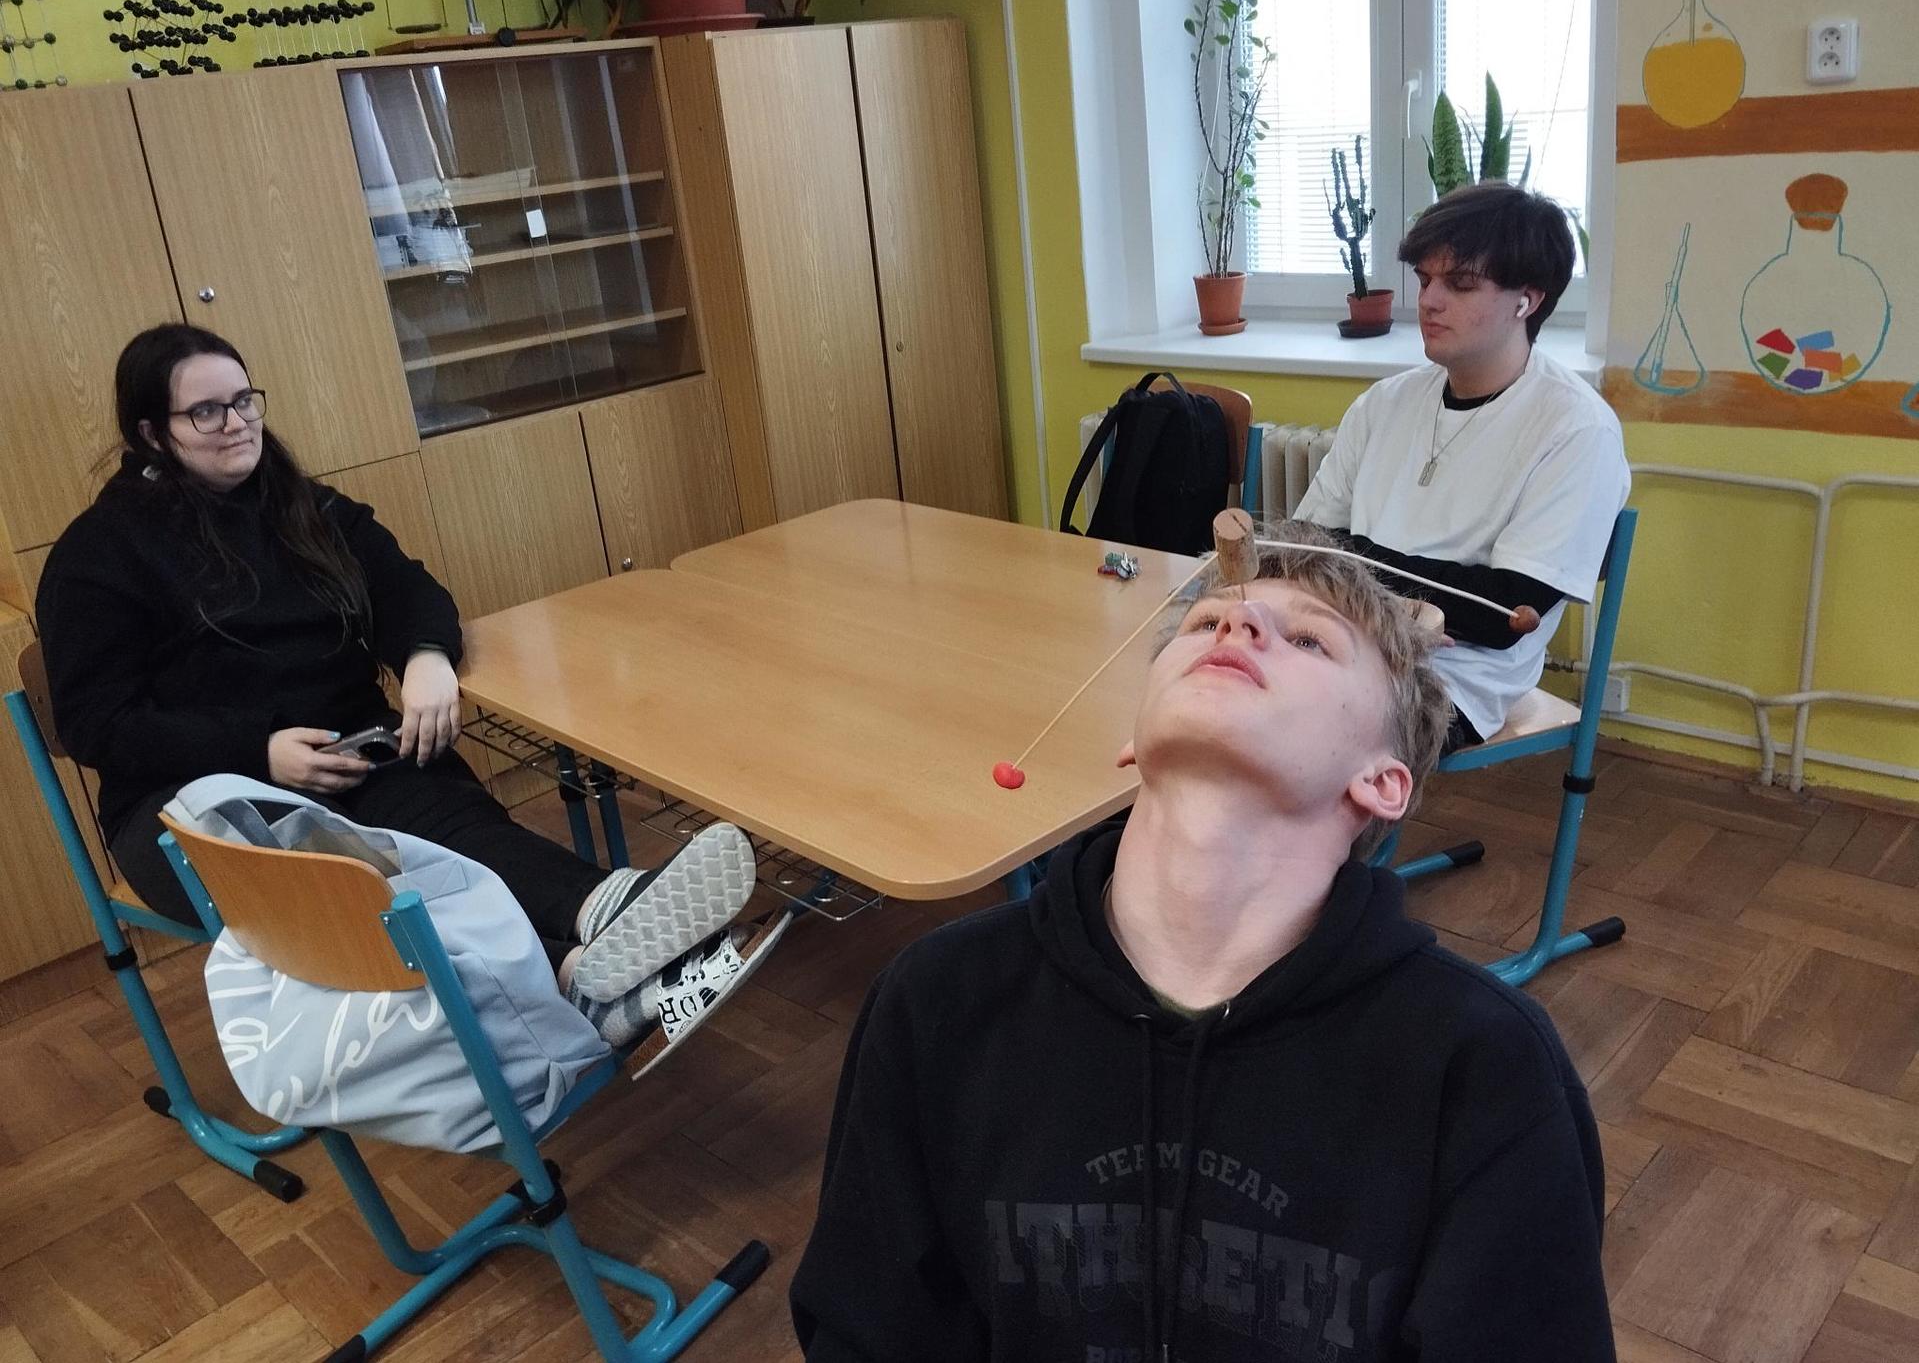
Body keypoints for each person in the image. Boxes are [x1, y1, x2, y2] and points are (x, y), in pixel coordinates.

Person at [789, 523, 1614, 1362]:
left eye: (1308, 639)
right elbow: (869, 1331)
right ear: (1131, 738)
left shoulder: (1485, 1067)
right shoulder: (940, 999)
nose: (1237, 624)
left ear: (1381, 781)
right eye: (1204, 622)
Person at [36, 323, 769, 1050]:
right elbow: (98, 723)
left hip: (349, 751)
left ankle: (605, 910)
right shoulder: (99, 554)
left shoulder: (301, 506)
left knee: (453, 831)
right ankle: (576, 970)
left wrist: (425, 657)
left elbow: (405, 587)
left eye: (244, 400)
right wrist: (259, 751)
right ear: (151, 433)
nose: (236, 423)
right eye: (205, 411)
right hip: (197, 802)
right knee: (369, 880)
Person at [1295, 181, 1631, 752]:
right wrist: (1415, 597)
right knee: (1197, 683)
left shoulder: (1577, 430)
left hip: (1449, 682)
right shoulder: (1384, 403)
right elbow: (1305, 546)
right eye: (1425, 279)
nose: (1428, 300)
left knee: (1280, 731)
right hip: (1334, 642)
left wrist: (1352, 560)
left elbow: (1501, 615)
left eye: (1460, 283)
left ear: (1527, 300)